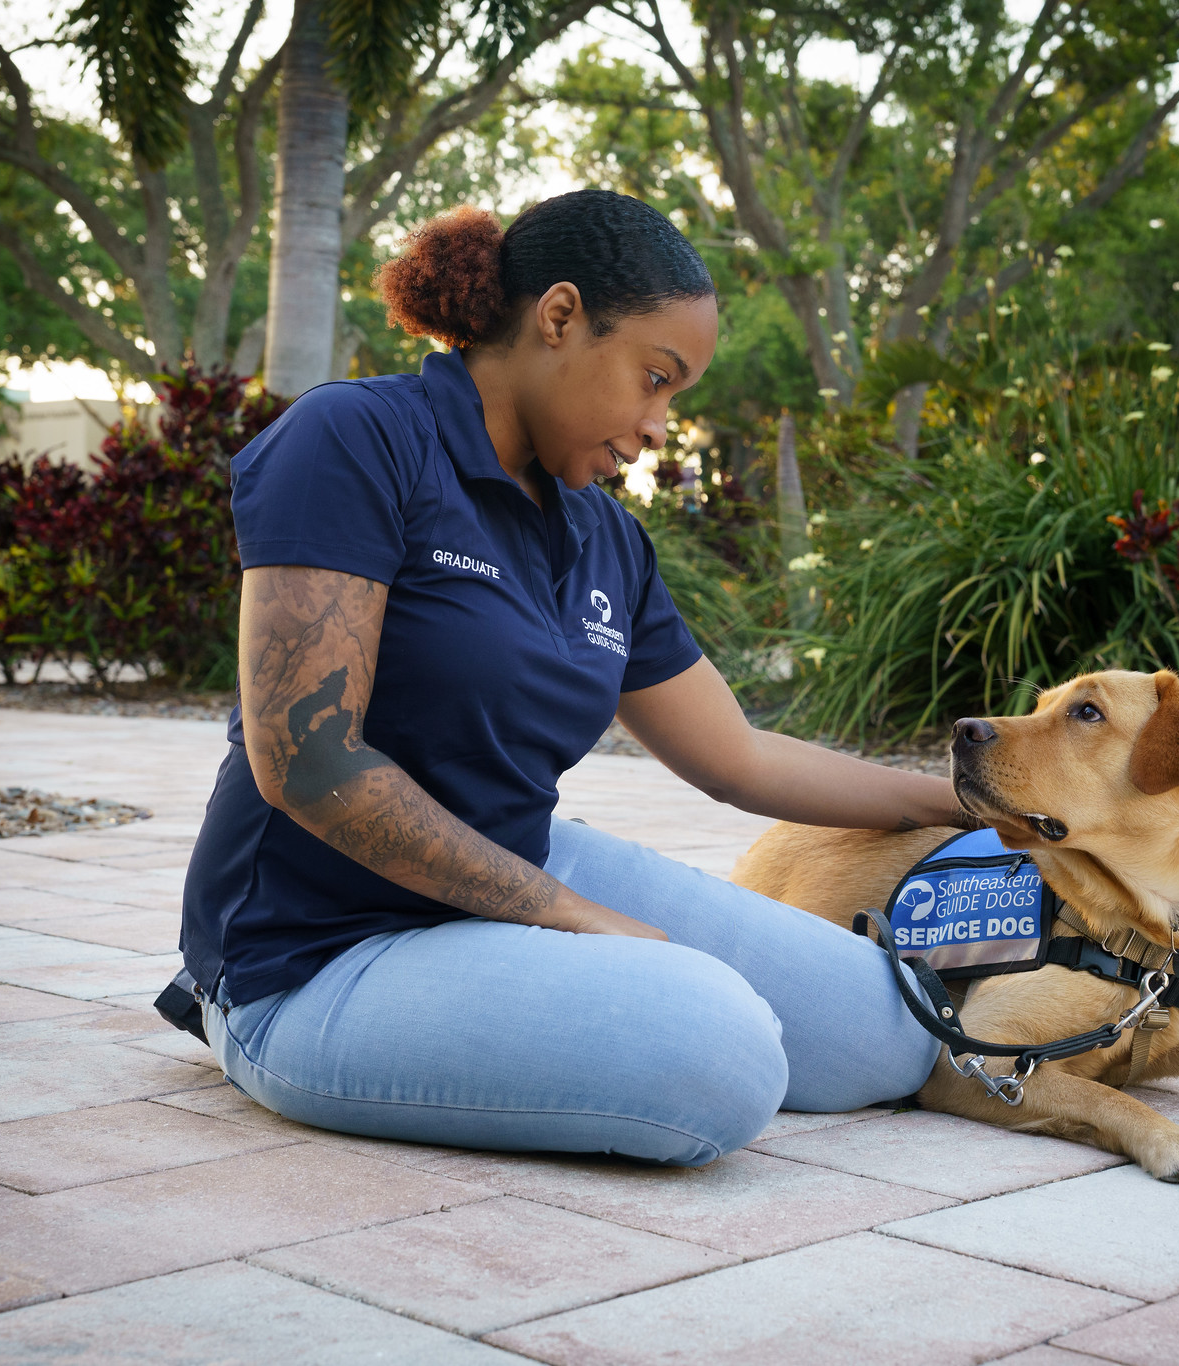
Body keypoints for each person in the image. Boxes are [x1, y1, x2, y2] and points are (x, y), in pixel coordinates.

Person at [180, 190, 970, 1168]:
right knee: (720, 1051)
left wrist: (971, 804)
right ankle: (225, 1017)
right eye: (654, 378)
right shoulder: (356, 439)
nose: (654, 427)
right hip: (314, 954)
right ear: (558, 319)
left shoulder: (601, 535)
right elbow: (305, 760)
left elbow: (738, 757)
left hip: (514, 865)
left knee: (888, 1024)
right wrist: (580, 923)